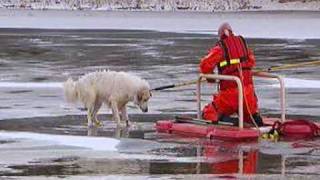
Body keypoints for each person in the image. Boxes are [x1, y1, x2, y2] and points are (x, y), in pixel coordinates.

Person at [199, 22, 263, 127]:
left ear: (220, 35)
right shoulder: (243, 44)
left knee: (209, 113)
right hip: (248, 94)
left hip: (230, 94)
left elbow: (204, 65)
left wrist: (211, 78)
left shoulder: (220, 47)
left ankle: (229, 122)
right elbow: (251, 62)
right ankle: (255, 119)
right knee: (249, 114)